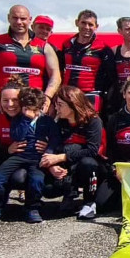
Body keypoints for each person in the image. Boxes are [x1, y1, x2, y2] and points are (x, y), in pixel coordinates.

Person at [0, 87, 59, 223]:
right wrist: (26, 119)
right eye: (5, 100)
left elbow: (55, 139)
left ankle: (32, 208)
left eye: (14, 100)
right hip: (19, 156)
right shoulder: (18, 119)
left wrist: (48, 152)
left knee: (37, 180)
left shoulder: (47, 121)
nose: (10, 104)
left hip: (36, 158)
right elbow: (17, 135)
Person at [84, 77, 130, 219]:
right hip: (119, 171)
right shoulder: (115, 118)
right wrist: (115, 169)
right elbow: (111, 149)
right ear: (124, 94)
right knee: (101, 204)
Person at [0, 5, 61, 113]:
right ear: (8, 18)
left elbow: (55, 75)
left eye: (23, 19)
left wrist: (47, 97)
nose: (19, 22)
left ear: (30, 20)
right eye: (15, 18)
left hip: (34, 105)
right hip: (5, 105)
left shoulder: (44, 46)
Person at [40, 85, 107, 217]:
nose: (57, 108)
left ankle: (89, 202)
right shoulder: (60, 122)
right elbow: (54, 146)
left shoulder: (93, 121)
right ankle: (68, 194)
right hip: (69, 165)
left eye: (60, 104)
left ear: (73, 104)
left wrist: (62, 157)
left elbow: (92, 150)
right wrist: (52, 165)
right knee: (47, 190)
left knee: (87, 162)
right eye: (56, 104)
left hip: (94, 165)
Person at [54, 10, 118, 114]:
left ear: (96, 26)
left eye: (90, 24)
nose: (87, 27)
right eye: (83, 23)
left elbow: (112, 77)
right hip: (67, 95)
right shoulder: (66, 45)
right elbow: (59, 70)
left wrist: (103, 95)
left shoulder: (103, 49)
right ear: (77, 22)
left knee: (89, 126)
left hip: (90, 96)